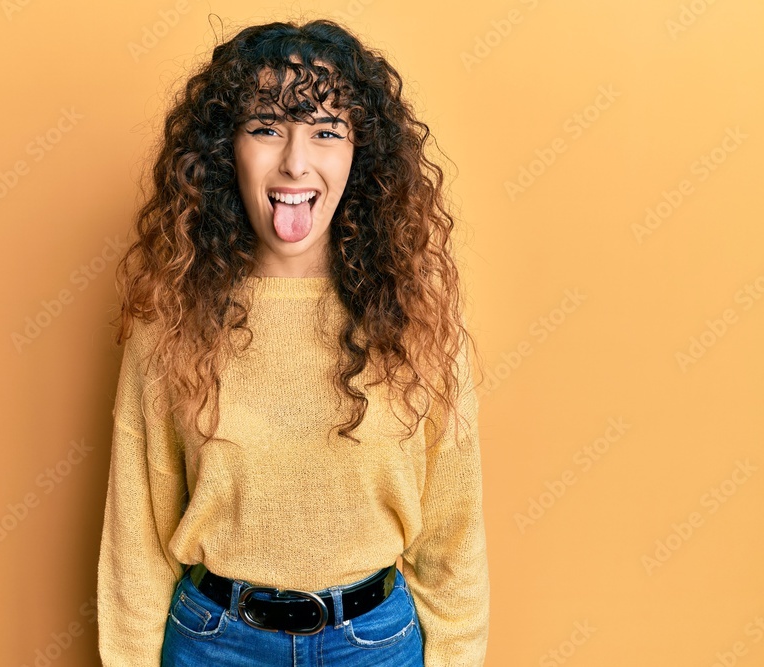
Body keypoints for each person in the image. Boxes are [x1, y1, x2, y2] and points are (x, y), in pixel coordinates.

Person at [97, 16, 489, 667]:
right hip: (216, 644)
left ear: (361, 154)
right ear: (228, 149)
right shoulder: (171, 319)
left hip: (375, 646)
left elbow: (453, 539)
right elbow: (134, 540)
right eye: (267, 128)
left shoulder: (419, 318)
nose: (295, 161)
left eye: (327, 132)